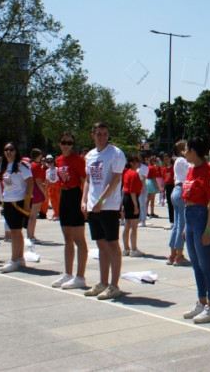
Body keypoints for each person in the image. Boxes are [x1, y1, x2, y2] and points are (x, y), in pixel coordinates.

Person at [181, 134, 210, 324]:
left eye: (186, 149)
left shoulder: (209, 171)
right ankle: (202, 301)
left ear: (193, 151)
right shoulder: (191, 170)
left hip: (202, 217)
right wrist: (184, 226)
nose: (184, 153)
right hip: (189, 217)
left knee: (206, 264)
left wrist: (209, 228)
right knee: (196, 264)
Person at [82, 122, 127, 299]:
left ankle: (114, 285)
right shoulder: (90, 156)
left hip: (108, 206)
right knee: (101, 244)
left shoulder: (115, 153)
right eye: (98, 133)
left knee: (112, 244)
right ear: (92, 135)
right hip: (93, 206)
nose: (102, 136)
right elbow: (88, 179)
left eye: (105, 133)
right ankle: (103, 281)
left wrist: (102, 200)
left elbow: (116, 179)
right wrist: (84, 199)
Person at [52, 132, 89, 290]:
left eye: (70, 143)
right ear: (59, 143)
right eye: (64, 142)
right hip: (64, 195)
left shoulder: (77, 159)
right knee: (67, 237)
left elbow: (84, 181)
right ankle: (68, 273)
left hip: (75, 195)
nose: (67, 145)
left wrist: (84, 201)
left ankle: (80, 276)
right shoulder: (58, 160)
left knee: (79, 239)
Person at [0, 143, 34, 272]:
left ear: (16, 151)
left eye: (11, 150)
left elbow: (30, 182)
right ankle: (19, 257)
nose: (8, 152)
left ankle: (13, 260)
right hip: (7, 200)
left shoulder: (21, 166)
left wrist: (26, 201)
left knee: (15, 232)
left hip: (18, 201)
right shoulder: (3, 166)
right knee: (16, 231)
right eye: (6, 150)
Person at [167, 141, 190, 266]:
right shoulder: (182, 161)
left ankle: (173, 254)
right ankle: (179, 255)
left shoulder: (177, 161)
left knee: (177, 224)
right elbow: (192, 169)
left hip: (176, 190)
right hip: (181, 189)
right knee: (181, 224)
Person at [121, 154, 144, 257]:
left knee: (127, 225)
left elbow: (123, 189)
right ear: (131, 163)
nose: (139, 163)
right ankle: (134, 249)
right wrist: (136, 206)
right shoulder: (134, 174)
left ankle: (126, 248)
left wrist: (121, 203)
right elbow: (133, 191)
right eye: (137, 161)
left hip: (126, 198)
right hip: (132, 199)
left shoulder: (125, 173)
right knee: (134, 226)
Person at [27, 149, 47, 243]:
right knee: (33, 216)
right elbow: (38, 181)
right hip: (36, 191)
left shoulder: (29, 165)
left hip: (30, 191)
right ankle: (31, 236)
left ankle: (29, 235)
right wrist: (44, 193)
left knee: (31, 215)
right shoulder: (36, 166)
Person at [44, 155, 61, 221]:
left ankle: (59, 214)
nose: (50, 163)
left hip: (57, 186)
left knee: (59, 201)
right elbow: (47, 180)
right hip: (51, 187)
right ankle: (56, 214)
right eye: (48, 162)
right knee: (53, 202)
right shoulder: (47, 171)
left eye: (51, 162)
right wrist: (46, 190)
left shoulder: (57, 169)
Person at [162, 154, 175, 230]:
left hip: (173, 185)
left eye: (167, 158)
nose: (166, 160)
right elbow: (164, 180)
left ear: (170, 158)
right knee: (169, 204)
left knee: (174, 203)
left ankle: (175, 220)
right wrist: (163, 190)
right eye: (165, 159)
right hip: (167, 186)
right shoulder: (164, 169)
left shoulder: (173, 168)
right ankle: (171, 221)